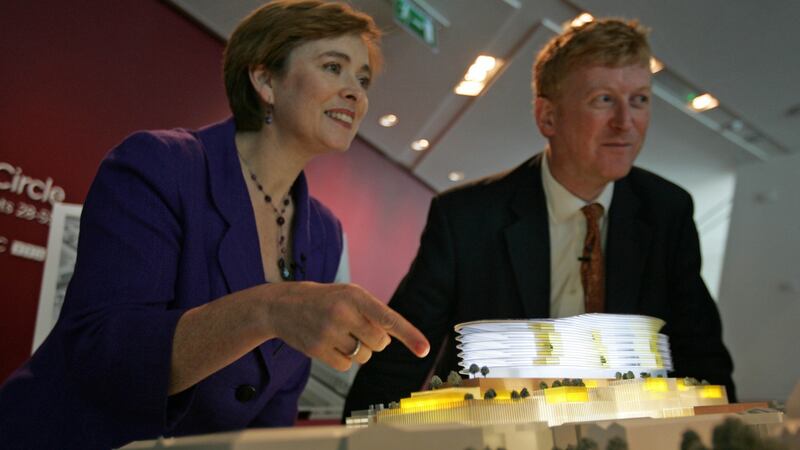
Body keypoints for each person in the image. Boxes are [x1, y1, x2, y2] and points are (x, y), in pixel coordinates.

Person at [0, 1, 429, 448]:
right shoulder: (159, 164)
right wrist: (270, 309)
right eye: (333, 67)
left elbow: (273, 406)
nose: (356, 93)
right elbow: (106, 355)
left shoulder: (323, 233)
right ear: (264, 80)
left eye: (362, 79)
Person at [344, 17, 735, 417]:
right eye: (603, 99)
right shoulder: (467, 218)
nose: (625, 121)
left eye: (639, 99)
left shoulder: (667, 211)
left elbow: (699, 351)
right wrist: (361, 437)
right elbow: (404, 352)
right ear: (547, 117)